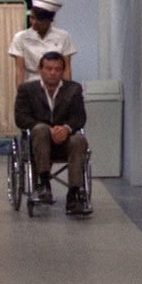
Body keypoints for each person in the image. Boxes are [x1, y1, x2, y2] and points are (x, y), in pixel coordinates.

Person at [14, 51, 89, 215]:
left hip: (65, 143)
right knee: (40, 129)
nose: (53, 73)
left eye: (57, 69)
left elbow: (79, 117)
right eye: (48, 69)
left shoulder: (73, 89)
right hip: (38, 144)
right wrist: (49, 129)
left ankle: (74, 195)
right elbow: (21, 118)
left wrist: (66, 128)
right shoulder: (27, 90)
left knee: (79, 140)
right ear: (40, 70)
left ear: (63, 71)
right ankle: (43, 183)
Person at [8, 0, 76, 87]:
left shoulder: (63, 36)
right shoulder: (20, 37)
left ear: (50, 20)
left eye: (39, 20)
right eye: (32, 18)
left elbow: (66, 68)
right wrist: (20, 93)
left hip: (57, 85)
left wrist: (68, 91)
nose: (34, 22)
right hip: (32, 85)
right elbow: (20, 70)